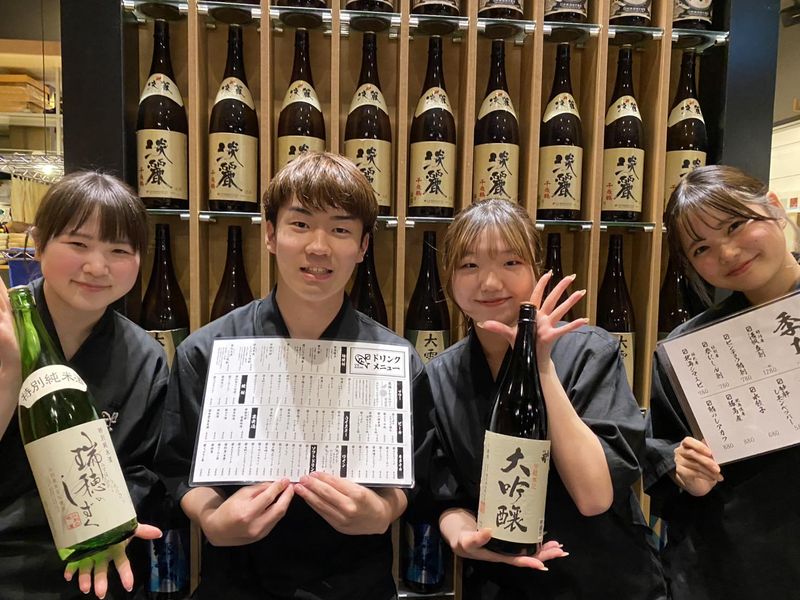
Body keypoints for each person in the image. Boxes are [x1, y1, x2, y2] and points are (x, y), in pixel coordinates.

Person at [155, 152, 434, 600]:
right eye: (300, 224)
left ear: (363, 247)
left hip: (355, 585)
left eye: (340, 229)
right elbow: (177, 464)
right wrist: (210, 517)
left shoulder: (396, 360)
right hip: (239, 584)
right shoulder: (206, 352)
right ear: (270, 234)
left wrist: (384, 510)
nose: (318, 247)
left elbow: (415, 471)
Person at [422, 199, 666, 599]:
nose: (489, 283)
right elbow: (446, 496)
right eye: (469, 265)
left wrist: (541, 367)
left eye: (510, 262)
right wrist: (461, 536)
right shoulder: (440, 376)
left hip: (604, 582)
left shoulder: (589, 351)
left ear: (537, 270)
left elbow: (594, 497)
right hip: (504, 585)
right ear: (448, 277)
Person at [0, 171, 167, 599]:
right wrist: (8, 377)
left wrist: (116, 525)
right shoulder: (5, 331)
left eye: (119, 250)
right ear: (39, 244)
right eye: (78, 244)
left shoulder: (144, 356)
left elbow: (142, 467)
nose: (96, 267)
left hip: (100, 557)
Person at [645, 164, 800, 599]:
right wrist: (682, 470)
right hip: (733, 567)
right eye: (702, 248)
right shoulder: (690, 350)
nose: (728, 253)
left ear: (773, 207)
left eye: (735, 225)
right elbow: (664, 451)